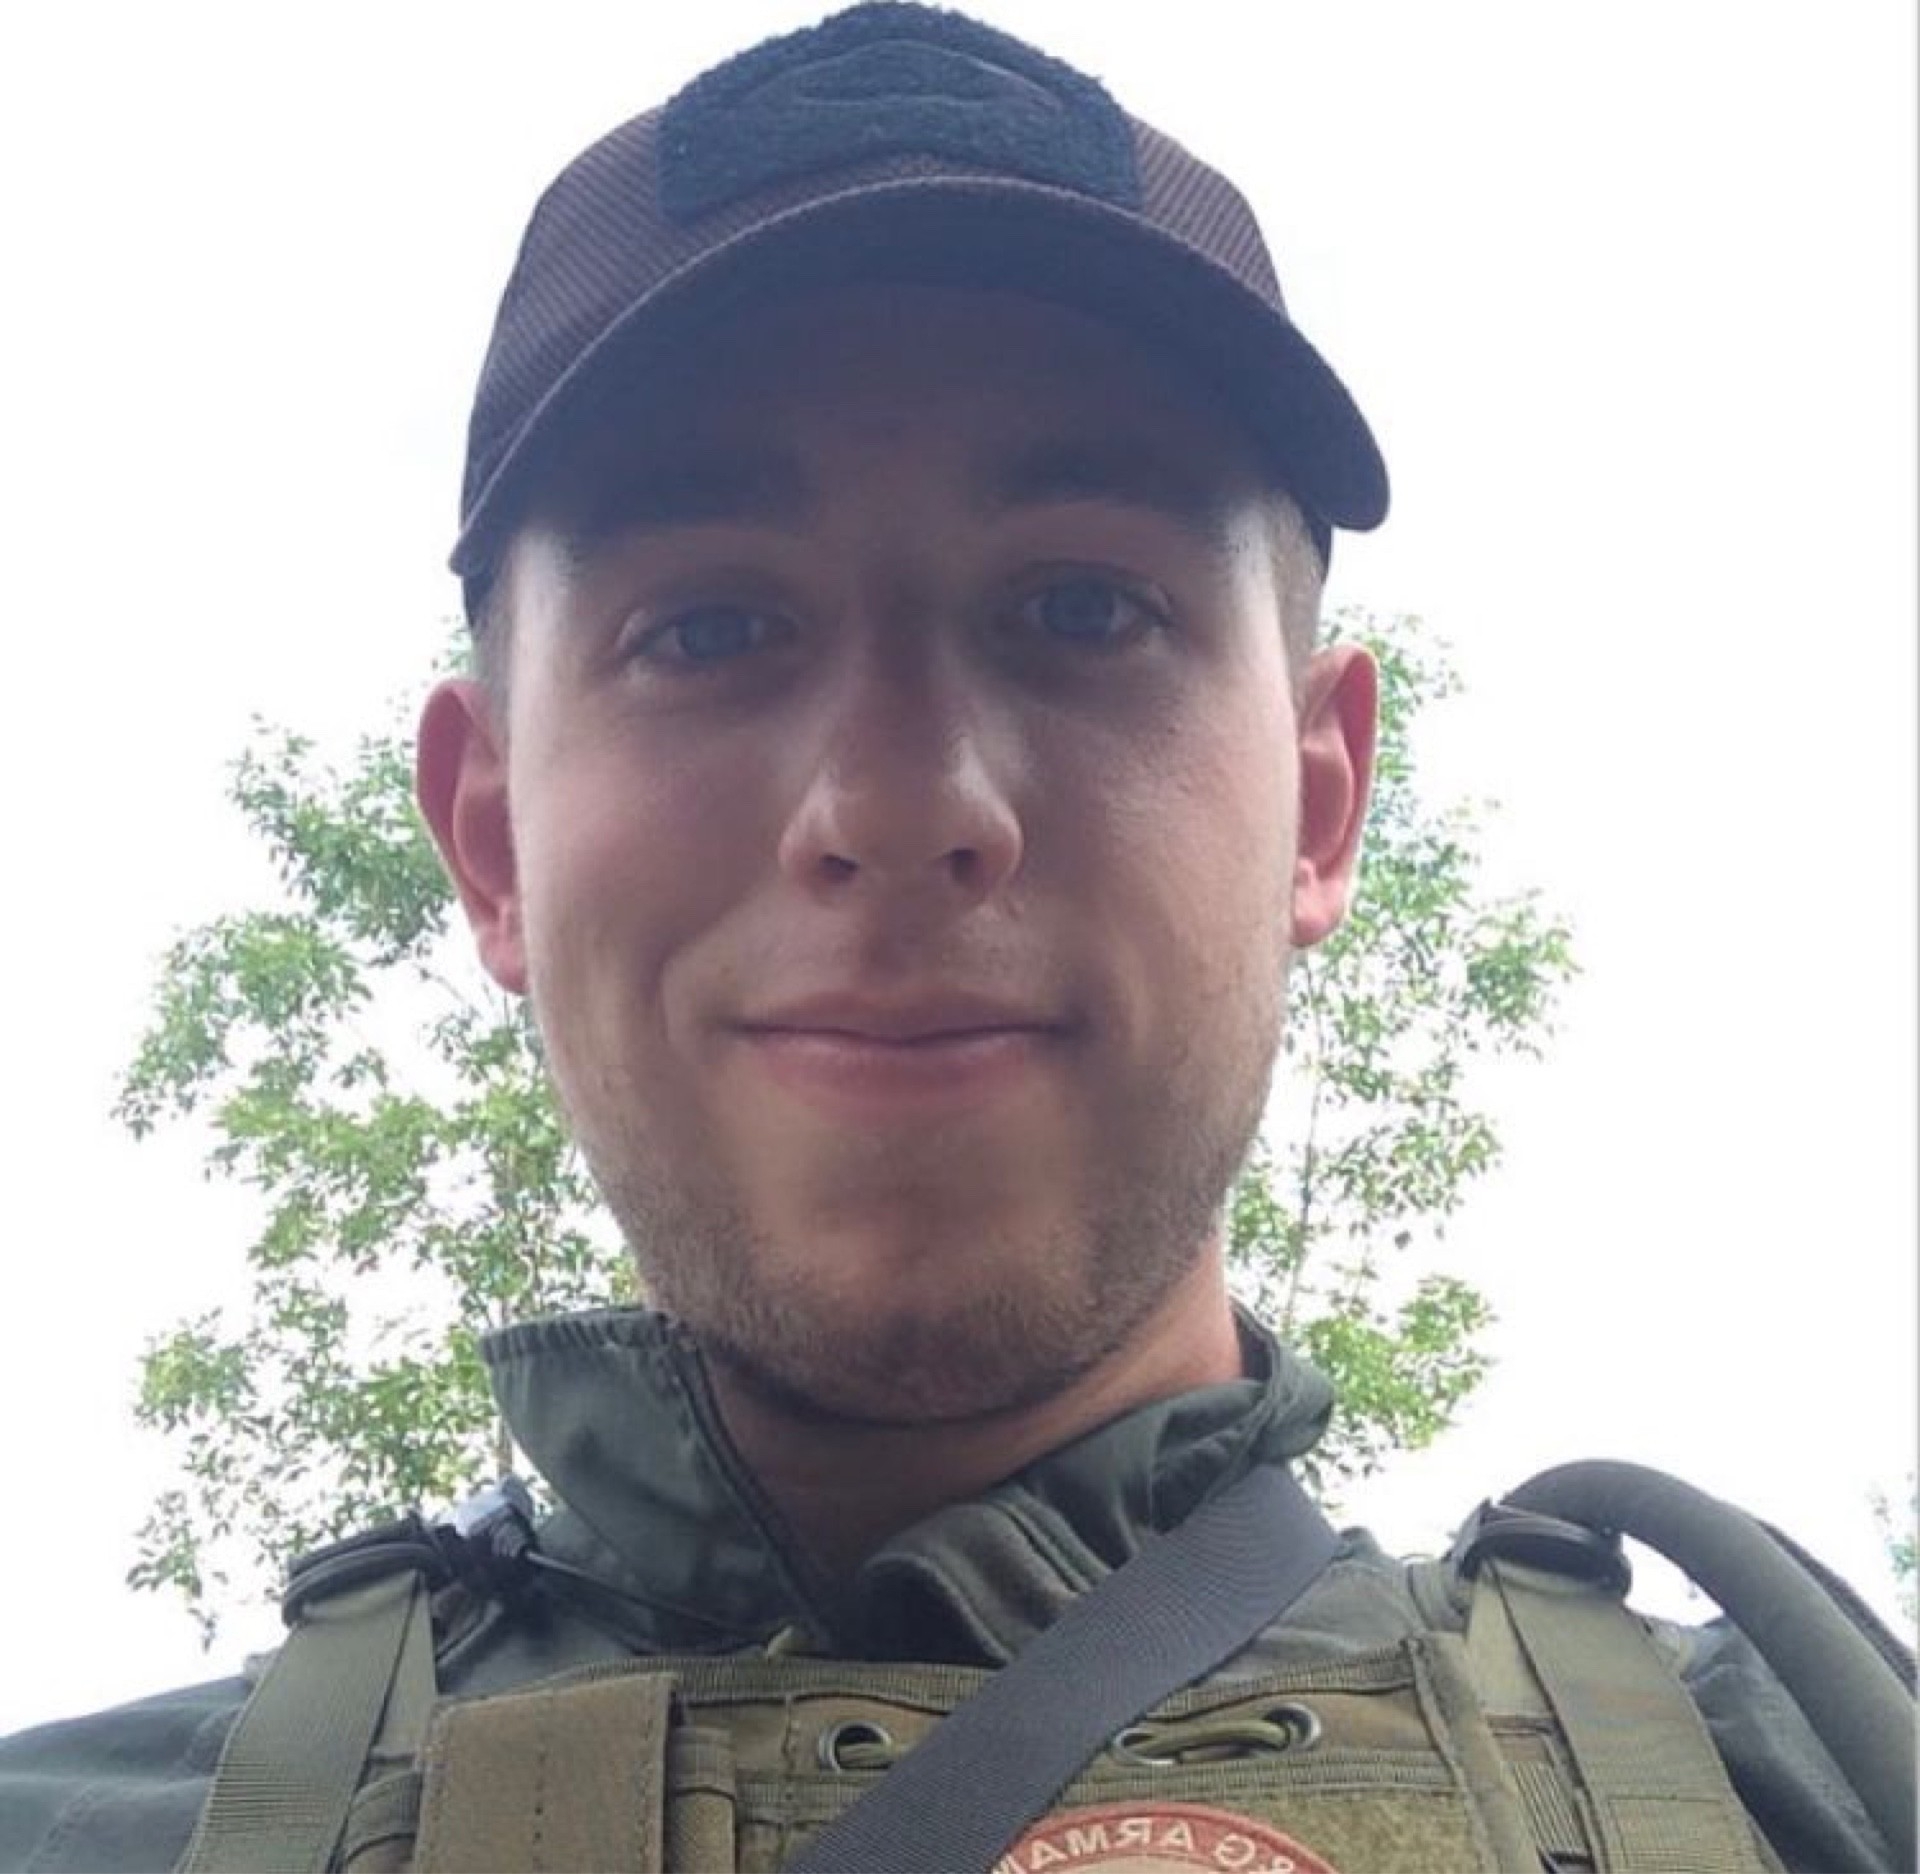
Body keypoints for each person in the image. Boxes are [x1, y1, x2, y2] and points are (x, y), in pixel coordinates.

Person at [0, 8, 1906, 1871]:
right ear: (492, 838)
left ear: (1320, 802)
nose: (900, 800)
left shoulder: (1821, 1786)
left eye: (1082, 608)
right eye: (709, 628)